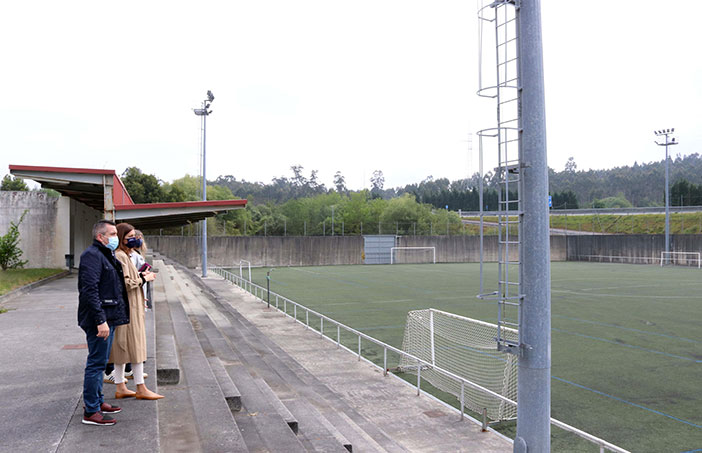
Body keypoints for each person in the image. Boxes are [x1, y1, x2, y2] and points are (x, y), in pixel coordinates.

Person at [78, 219, 129, 426]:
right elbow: (89, 290)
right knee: (96, 364)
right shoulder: (92, 255)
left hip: (109, 318)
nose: (115, 238)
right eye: (113, 234)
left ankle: (96, 402)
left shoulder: (104, 254)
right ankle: (91, 411)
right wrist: (100, 320)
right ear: (101, 237)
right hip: (100, 320)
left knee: (100, 363)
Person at [110, 223, 163, 400]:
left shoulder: (124, 254)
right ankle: (140, 387)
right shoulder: (120, 256)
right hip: (129, 308)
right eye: (130, 236)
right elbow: (127, 283)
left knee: (122, 348)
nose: (135, 239)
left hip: (130, 306)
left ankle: (121, 386)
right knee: (135, 347)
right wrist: (144, 278)